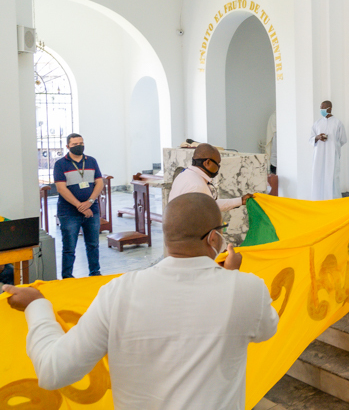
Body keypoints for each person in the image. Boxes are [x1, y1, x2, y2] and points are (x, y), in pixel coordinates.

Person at [3, 193, 280, 410]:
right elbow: (267, 328)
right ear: (214, 238)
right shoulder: (246, 290)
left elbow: (54, 370)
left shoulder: (119, 292)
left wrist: (37, 305)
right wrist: (230, 276)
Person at [53, 133, 105, 279]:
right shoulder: (60, 164)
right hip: (68, 212)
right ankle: (67, 277)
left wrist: (89, 202)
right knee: (69, 248)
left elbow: (99, 182)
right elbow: (61, 188)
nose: (79, 146)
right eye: (75, 144)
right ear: (67, 146)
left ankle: (95, 273)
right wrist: (79, 206)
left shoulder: (91, 161)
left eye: (81, 143)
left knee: (93, 244)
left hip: (91, 209)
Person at [169, 143, 253, 214]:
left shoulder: (186, 174)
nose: (218, 167)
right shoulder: (196, 185)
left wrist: (240, 201)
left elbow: (210, 204)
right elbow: (207, 211)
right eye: (217, 164)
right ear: (207, 162)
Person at [310, 100, 348, 200]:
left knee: (332, 177)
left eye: (323, 108)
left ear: (330, 108)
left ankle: (333, 200)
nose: (321, 110)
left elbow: (343, 139)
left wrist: (333, 145)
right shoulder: (317, 123)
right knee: (318, 176)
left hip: (332, 156)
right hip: (319, 156)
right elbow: (311, 138)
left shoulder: (338, 123)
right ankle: (317, 200)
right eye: (321, 108)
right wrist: (317, 137)